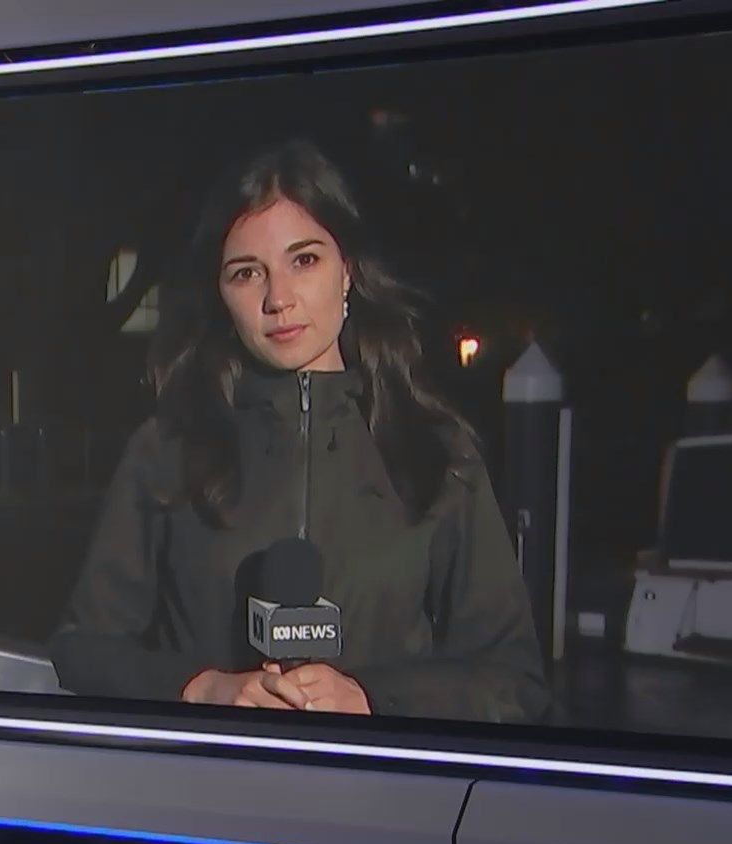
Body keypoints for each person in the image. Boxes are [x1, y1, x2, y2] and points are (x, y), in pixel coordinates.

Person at [49, 141, 549, 725]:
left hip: (376, 780)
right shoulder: (166, 450)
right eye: (246, 273)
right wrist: (200, 688)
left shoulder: (435, 452)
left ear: (348, 271)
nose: (278, 299)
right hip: (209, 777)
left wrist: (371, 699)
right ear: (220, 293)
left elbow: (513, 681)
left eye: (304, 260)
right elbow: (84, 650)